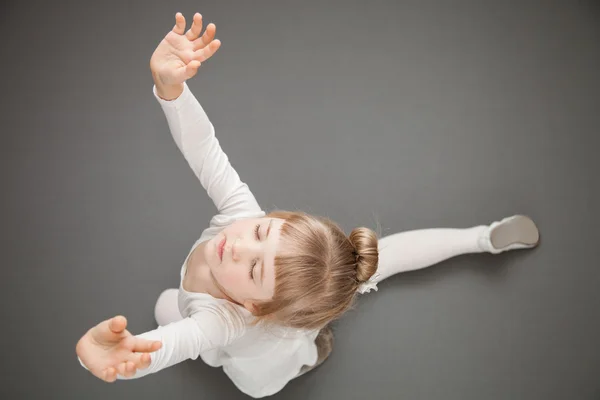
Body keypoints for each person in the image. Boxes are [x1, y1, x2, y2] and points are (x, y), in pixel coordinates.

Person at [75, 12, 540, 398]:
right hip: (294, 306)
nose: (238, 248)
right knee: (385, 257)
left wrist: (120, 359)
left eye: (255, 271)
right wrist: (170, 89)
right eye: (260, 234)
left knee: (191, 330)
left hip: (263, 362)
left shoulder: (220, 323)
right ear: (269, 220)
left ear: (254, 308)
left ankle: (312, 354)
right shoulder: (241, 215)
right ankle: (482, 237)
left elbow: (173, 344)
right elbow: (204, 148)